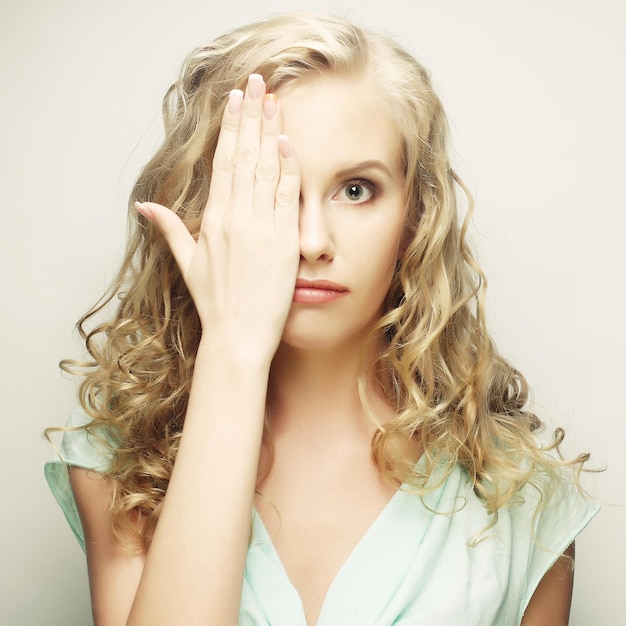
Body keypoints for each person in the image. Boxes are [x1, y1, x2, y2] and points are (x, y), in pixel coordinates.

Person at [45, 12, 598, 626]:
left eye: (357, 189)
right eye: (269, 185)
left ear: (416, 217)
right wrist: (233, 348)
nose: (311, 240)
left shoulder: (521, 491)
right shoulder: (121, 461)